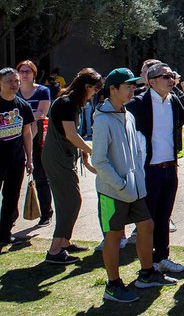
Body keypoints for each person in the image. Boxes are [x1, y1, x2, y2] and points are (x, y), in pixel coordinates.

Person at [93, 68, 177, 303]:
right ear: (113, 89)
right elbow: (99, 160)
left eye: (133, 86)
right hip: (112, 191)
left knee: (147, 224)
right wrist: (120, 185)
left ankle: (147, 273)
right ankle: (112, 284)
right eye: (128, 86)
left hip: (134, 189)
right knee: (114, 235)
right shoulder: (103, 119)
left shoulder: (127, 114)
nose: (132, 90)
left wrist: (136, 181)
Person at [125, 62, 184, 274]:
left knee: (164, 215)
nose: (171, 79)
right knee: (147, 219)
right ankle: (147, 264)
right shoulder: (138, 104)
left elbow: (183, 119)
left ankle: (162, 256)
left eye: (172, 75)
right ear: (151, 82)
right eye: (165, 76)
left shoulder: (173, 101)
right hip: (148, 169)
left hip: (170, 167)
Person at [42, 68, 101, 264]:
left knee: (70, 201)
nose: (94, 94)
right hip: (57, 158)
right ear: (87, 87)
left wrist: (82, 151)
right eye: (94, 90)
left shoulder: (71, 102)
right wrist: (92, 151)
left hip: (64, 157)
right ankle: (54, 250)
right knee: (70, 202)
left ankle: (64, 242)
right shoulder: (67, 103)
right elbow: (71, 134)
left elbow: (72, 136)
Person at [0, 67, 36, 248]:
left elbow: (27, 132)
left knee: (11, 197)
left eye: (16, 81)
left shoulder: (22, 105)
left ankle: (5, 233)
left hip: (16, 159)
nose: (14, 85)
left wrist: (29, 158)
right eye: (9, 82)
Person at [16, 60, 53, 226]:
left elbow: (40, 115)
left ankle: (46, 214)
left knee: (41, 178)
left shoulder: (42, 91)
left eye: (28, 71)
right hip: (15, 140)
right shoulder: (13, 92)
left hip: (37, 141)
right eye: (22, 71)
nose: (24, 74)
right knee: (13, 181)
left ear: (34, 73)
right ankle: (10, 218)